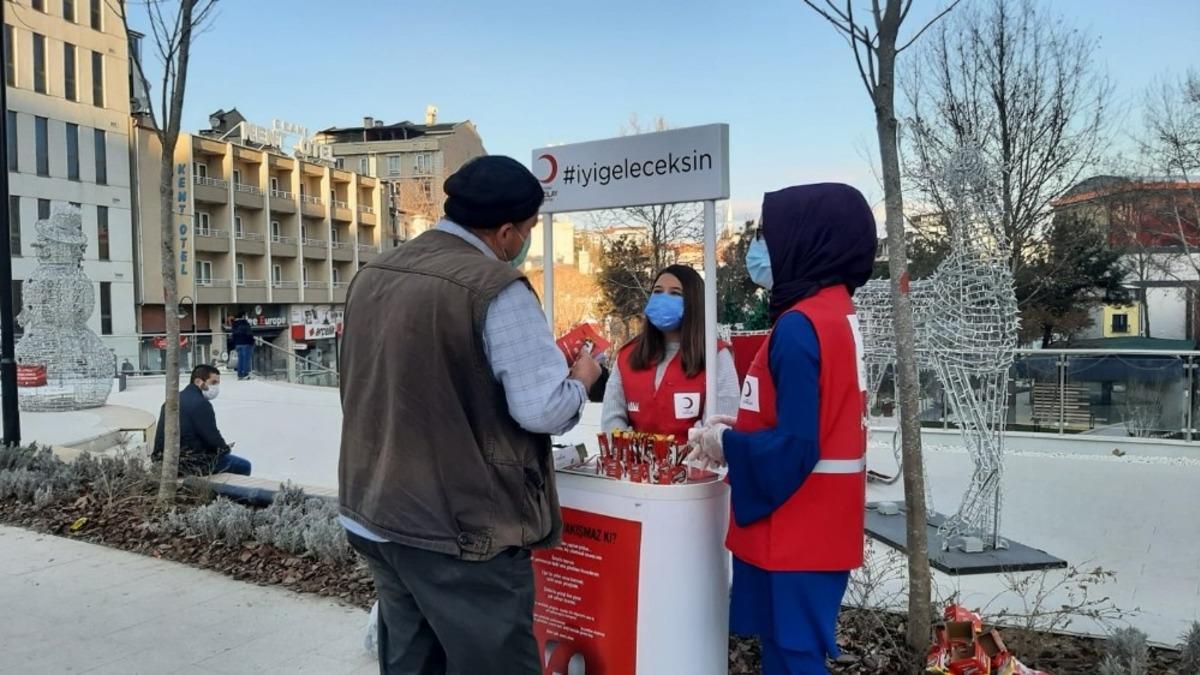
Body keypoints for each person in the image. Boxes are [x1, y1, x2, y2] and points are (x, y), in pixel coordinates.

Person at [338, 155, 601, 675]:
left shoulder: (373, 275)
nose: (524, 243)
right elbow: (542, 410)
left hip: (374, 510)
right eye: (526, 231)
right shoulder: (495, 289)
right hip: (460, 533)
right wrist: (584, 377)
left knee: (412, 661)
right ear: (507, 232)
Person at [691, 183, 876, 674]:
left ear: (806, 239)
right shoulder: (836, 313)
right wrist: (743, 427)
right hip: (821, 524)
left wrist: (725, 442)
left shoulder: (800, 325)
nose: (761, 249)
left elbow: (797, 443)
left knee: (792, 656)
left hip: (796, 526)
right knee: (791, 651)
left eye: (769, 236)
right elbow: (820, 415)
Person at [602, 264, 740, 442]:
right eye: (658, 291)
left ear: (693, 301)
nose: (663, 298)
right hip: (635, 466)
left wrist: (679, 459)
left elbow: (721, 424)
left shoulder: (716, 356)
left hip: (695, 465)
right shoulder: (628, 355)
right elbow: (611, 420)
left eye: (675, 293)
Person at [152, 364, 252, 476]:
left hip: (164, 460)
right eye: (213, 383)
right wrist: (225, 449)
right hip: (190, 462)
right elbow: (212, 437)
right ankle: (229, 493)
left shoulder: (171, 401)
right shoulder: (202, 404)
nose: (216, 388)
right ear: (199, 382)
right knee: (244, 466)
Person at [230, 314, 254, 380]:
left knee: (240, 360)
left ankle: (240, 374)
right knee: (246, 360)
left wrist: (235, 343)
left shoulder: (234, 324)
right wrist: (252, 342)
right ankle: (245, 374)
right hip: (246, 343)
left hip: (238, 344)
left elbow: (233, 336)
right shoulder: (245, 323)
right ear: (243, 316)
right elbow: (249, 334)